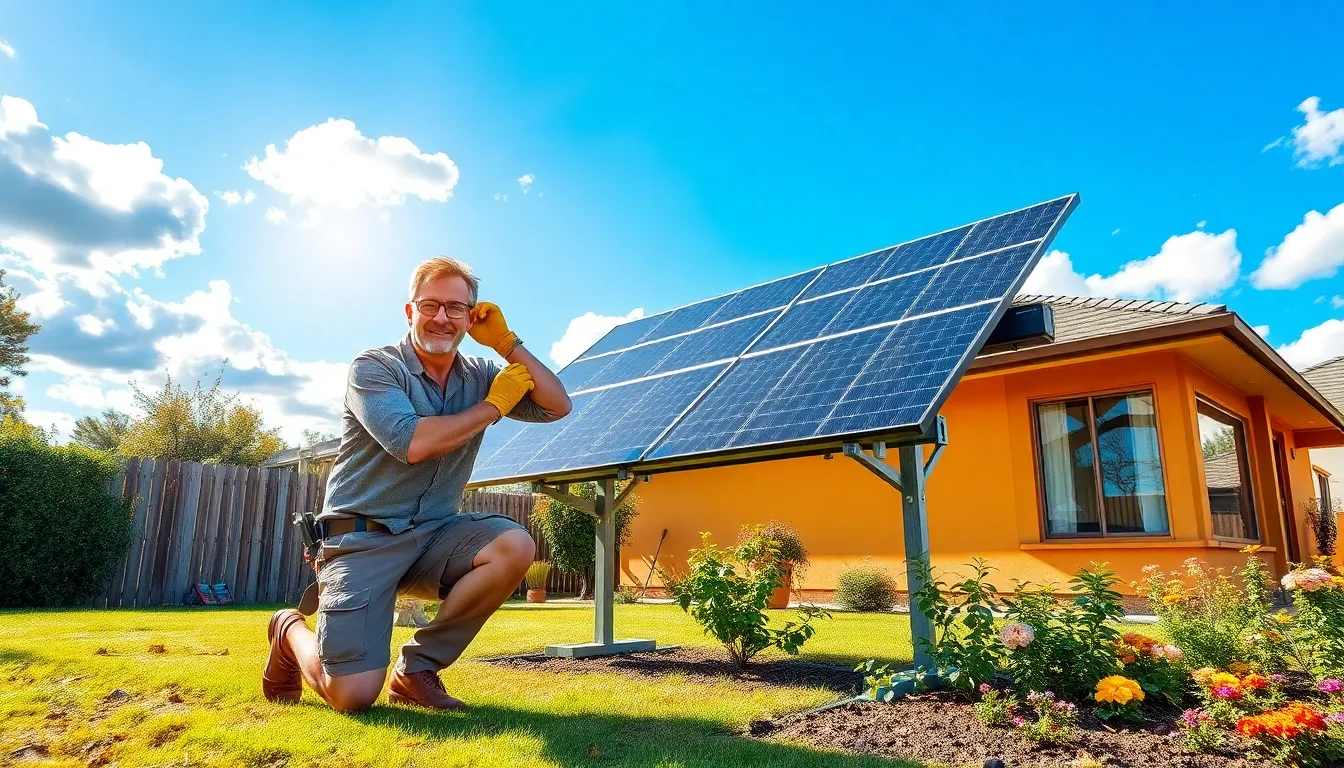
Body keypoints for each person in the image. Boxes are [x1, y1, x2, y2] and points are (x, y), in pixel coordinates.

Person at [262, 256, 572, 712]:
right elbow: (412, 443)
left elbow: (557, 404)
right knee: (351, 695)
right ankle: (289, 630)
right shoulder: (375, 368)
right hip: (362, 539)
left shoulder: (482, 375)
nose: (442, 318)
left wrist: (508, 345)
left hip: (433, 535)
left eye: (455, 307)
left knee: (514, 544)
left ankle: (416, 669)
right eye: (430, 305)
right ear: (410, 312)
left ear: (472, 315)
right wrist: (492, 407)